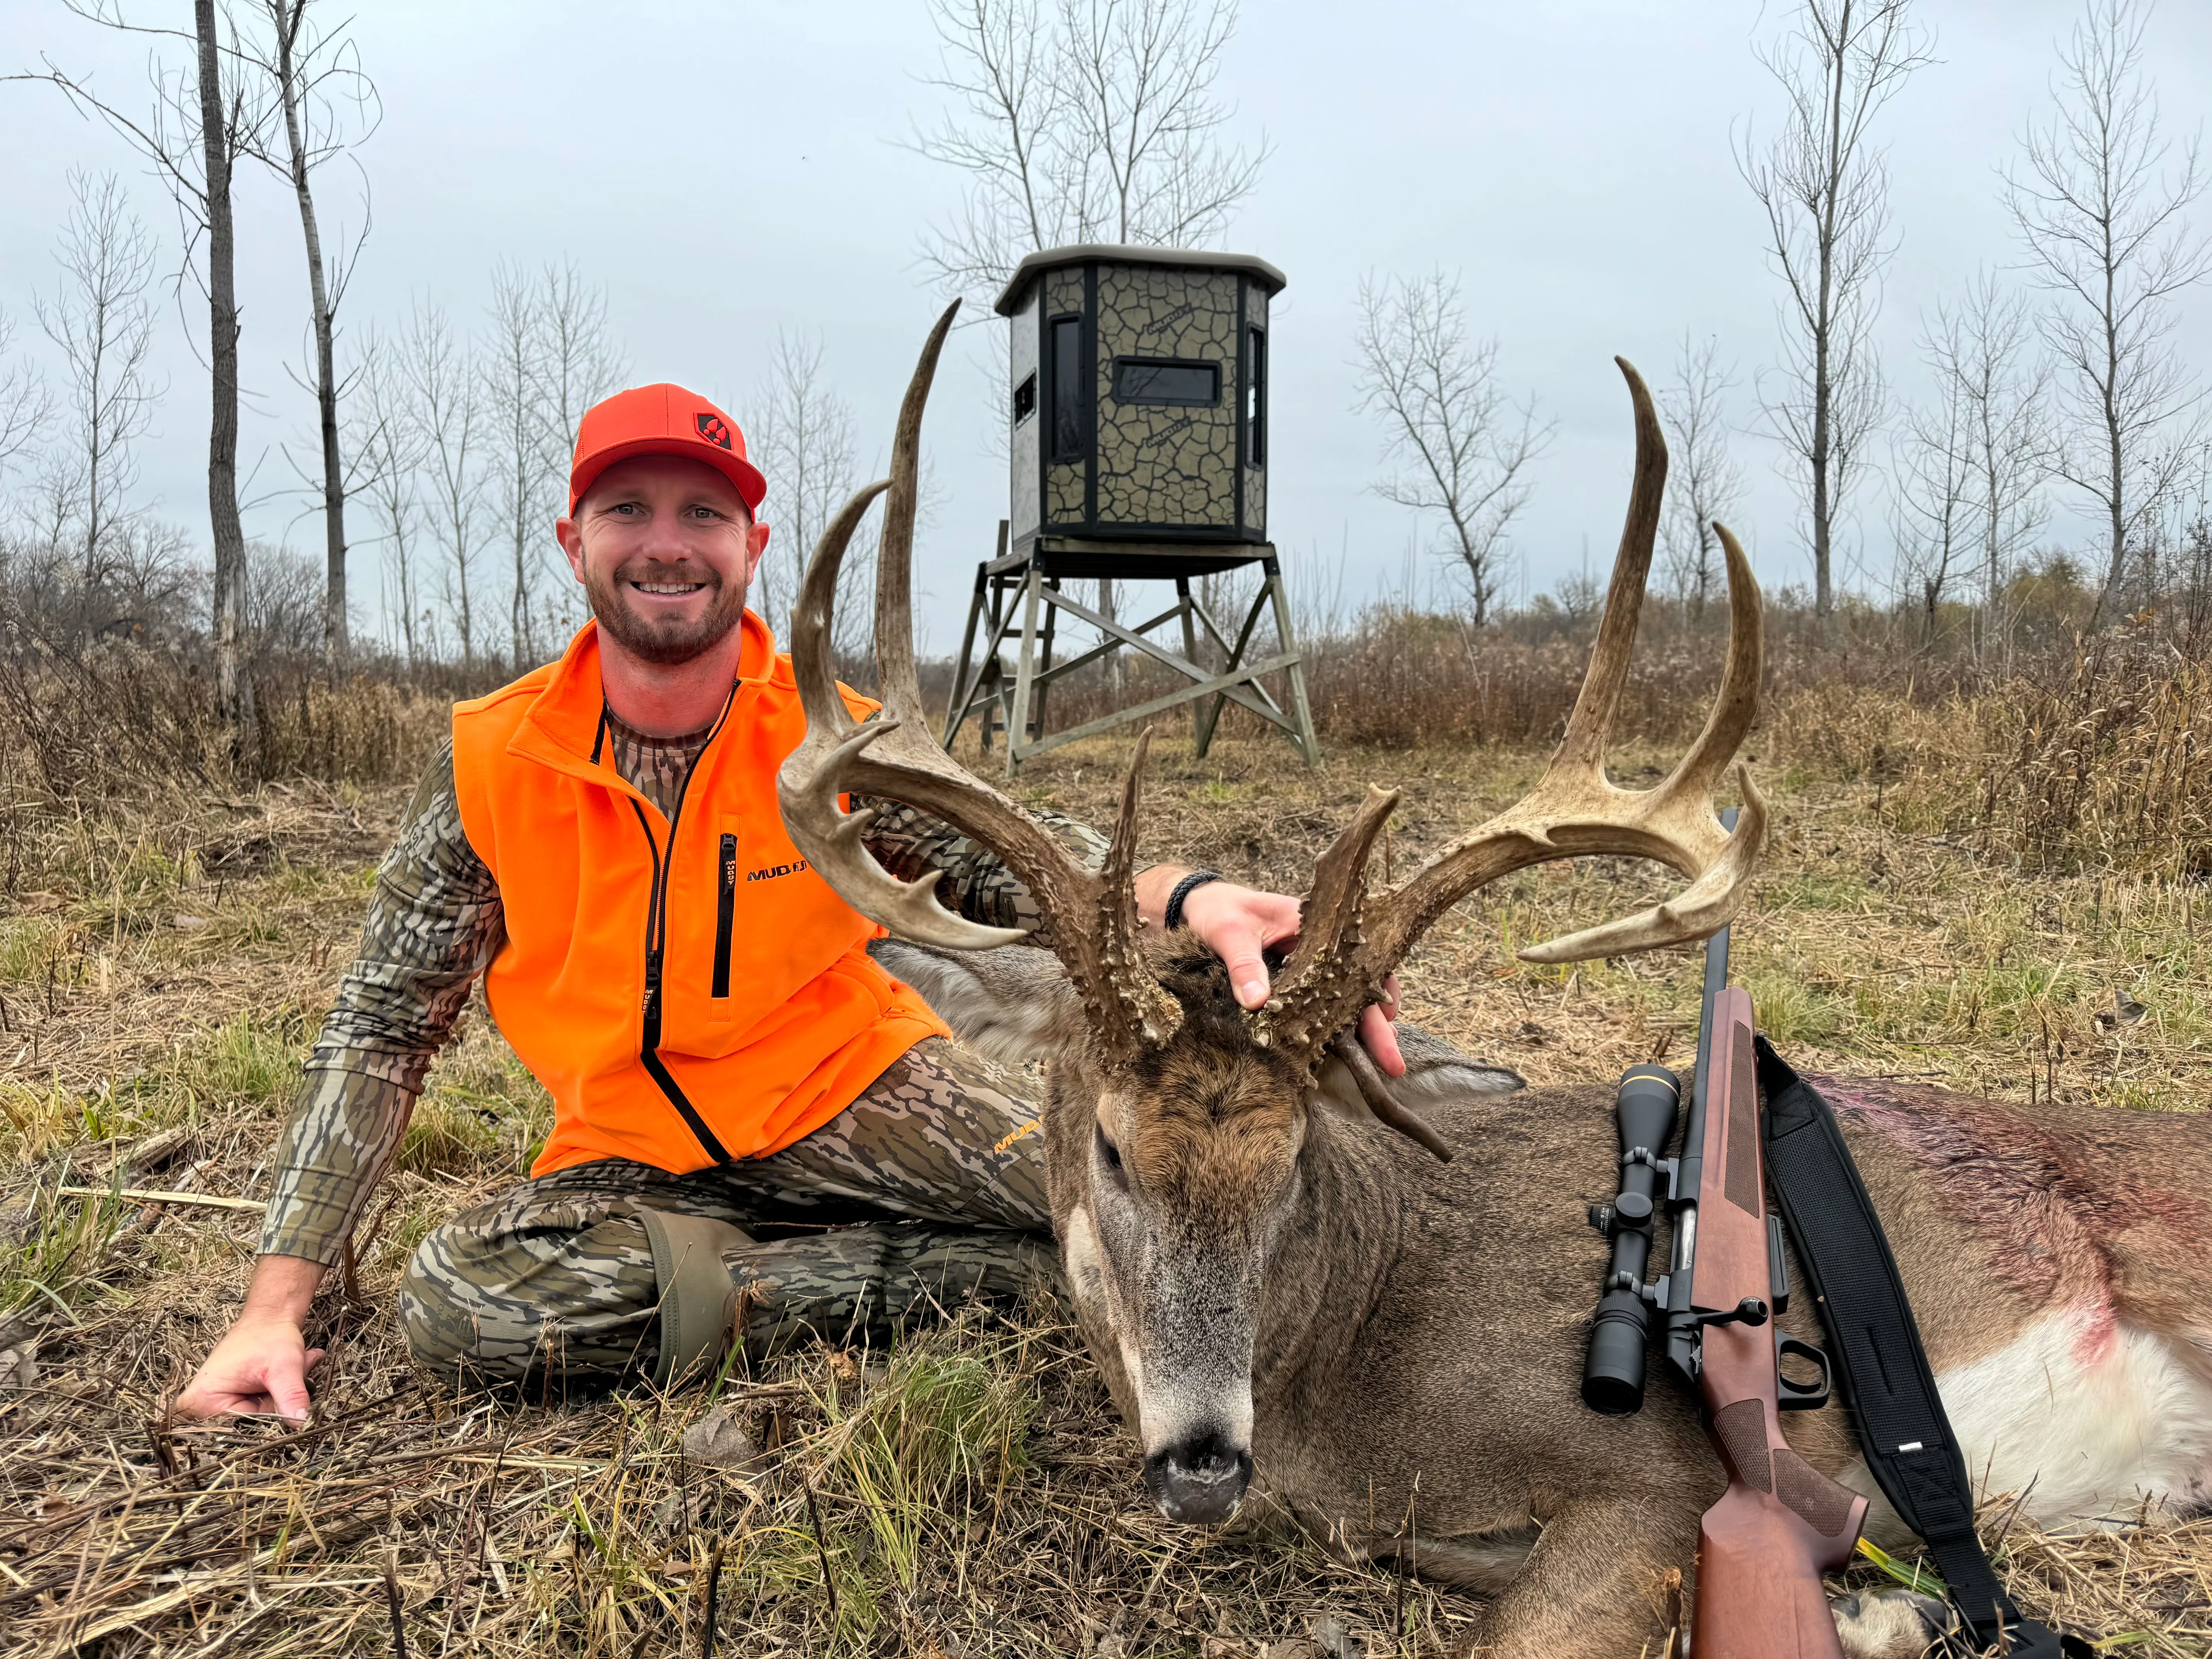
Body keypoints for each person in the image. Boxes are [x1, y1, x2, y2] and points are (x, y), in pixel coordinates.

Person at [175, 383, 1403, 1418]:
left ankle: (796, 1273)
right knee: (461, 1302)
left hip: (860, 1090)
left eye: (703, 513)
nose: (668, 542)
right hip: (628, 1151)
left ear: (752, 547)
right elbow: (381, 1028)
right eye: (629, 511)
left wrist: (1189, 897)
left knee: (1143, 1186)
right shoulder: (491, 764)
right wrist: (272, 1310)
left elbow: (1022, 856)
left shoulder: (832, 751)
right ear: (573, 540)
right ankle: (946, 1279)